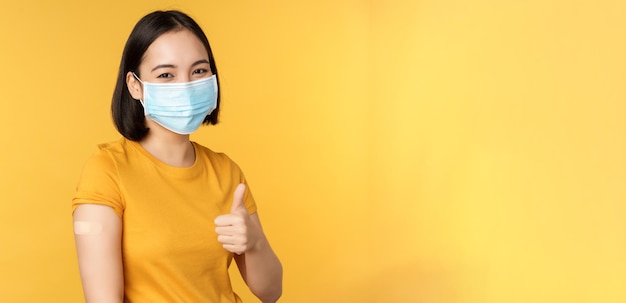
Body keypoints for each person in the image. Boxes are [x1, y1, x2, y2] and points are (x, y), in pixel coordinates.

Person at [72, 10, 283, 303]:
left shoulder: (226, 172)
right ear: (135, 86)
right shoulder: (107, 170)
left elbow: (271, 292)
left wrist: (254, 242)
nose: (185, 85)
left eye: (198, 71)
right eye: (166, 75)